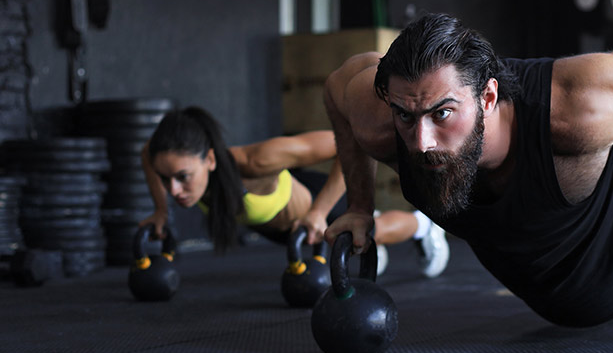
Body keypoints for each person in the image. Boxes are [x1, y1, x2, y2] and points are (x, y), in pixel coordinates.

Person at [323, 12, 613, 327]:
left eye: (443, 114)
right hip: (531, 268)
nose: (421, 142)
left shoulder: (577, 106)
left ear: (488, 98)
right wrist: (359, 206)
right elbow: (334, 88)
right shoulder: (380, 117)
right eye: (405, 116)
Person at [139, 106, 449, 278]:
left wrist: (317, 212)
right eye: (166, 180)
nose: (175, 190)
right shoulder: (167, 164)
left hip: (316, 206)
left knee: (368, 231)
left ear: (209, 159)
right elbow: (147, 154)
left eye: (182, 177)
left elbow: (352, 145)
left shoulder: (256, 161)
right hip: (282, 227)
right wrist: (161, 211)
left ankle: (425, 227)